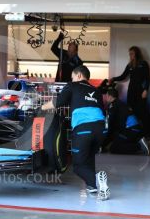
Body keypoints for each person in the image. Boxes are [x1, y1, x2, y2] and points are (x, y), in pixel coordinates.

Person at [41, 65, 110, 200]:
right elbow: (101, 110)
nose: (72, 79)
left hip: (84, 129)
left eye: (72, 77)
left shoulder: (73, 85)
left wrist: (40, 107)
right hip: (101, 130)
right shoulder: (96, 91)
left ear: (78, 76)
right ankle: (92, 186)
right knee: (89, 157)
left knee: (77, 166)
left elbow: (58, 102)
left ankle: (97, 178)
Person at [109, 46, 150, 134]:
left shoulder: (144, 64)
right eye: (129, 54)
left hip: (141, 91)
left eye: (132, 54)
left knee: (141, 111)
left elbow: (148, 78)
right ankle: (133, 130)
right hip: (131, 91)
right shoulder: (130, 65)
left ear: (137, 54)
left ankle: (146, 132)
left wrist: (146, 90)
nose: (130, 55)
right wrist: (113, 79)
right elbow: (123, 76)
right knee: (131, 110)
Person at [104, 88, 149, 155]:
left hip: (130, 130)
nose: (105, 97)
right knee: (115, 136)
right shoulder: (120, 103)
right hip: (135, 129)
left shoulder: (113, 106)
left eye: (106, 95)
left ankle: (139, 146)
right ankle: (137, 140)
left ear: (110, 96)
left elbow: (109, 125)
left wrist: (102, 143)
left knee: (114, 148)